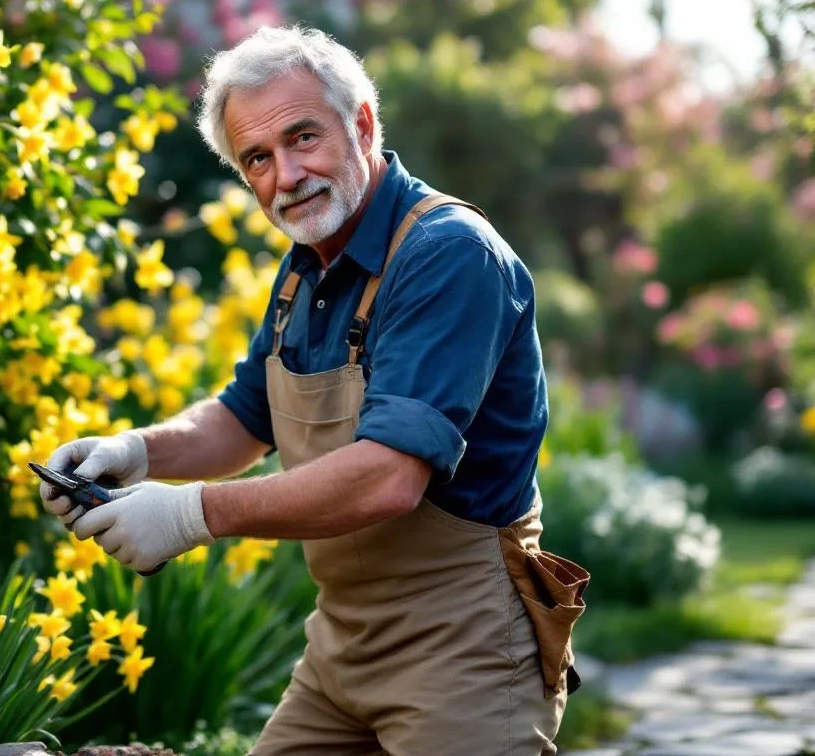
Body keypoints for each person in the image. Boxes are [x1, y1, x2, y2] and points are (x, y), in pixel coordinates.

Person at [40, 24, 589, 755]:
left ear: (361, 124)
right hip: (341, 646)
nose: (287, 176)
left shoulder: (448, 254)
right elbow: (245, 418)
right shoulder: (307, 264)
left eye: (303, 137)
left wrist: (189, 514)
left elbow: (389, 477)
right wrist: (134, 452)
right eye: (257, 158)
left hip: (465, 647)